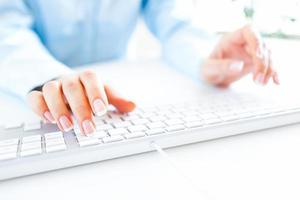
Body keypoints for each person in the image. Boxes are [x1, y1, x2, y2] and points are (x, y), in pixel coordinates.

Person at [0, 0, 279, 135]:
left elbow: (174, 22)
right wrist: (49, 77)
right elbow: (6, 30)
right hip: (32, 98)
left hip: (116, 100)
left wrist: (207, 57)